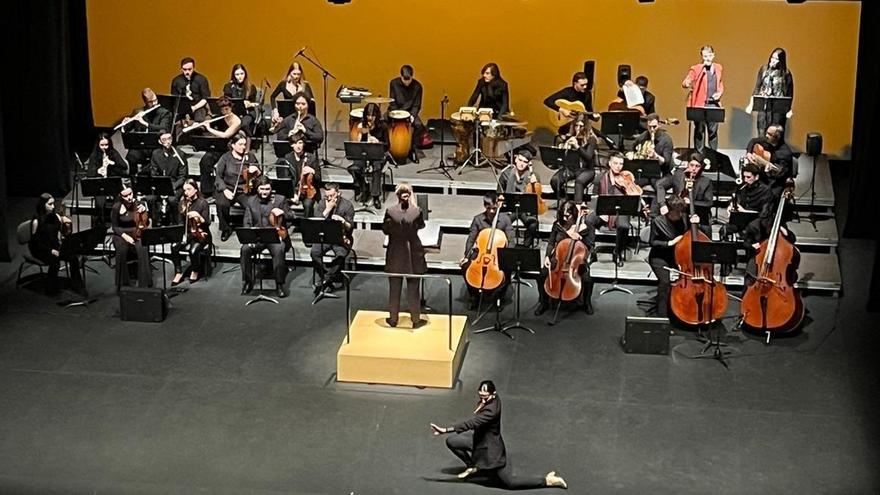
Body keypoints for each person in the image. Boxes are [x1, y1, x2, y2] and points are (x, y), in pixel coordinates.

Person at [430, 380, 568, 489]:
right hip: (479, 441)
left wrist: (445, 429)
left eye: (485, 397)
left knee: (510, 482)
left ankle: (548, 481)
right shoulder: (492, 399)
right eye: (480, 396)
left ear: (493, 394)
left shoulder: (491, 410)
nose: (482, 399)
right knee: (452, 442)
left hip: (490, 450)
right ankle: (473, 465)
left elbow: (471, 423)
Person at [535, 200, 595, 316]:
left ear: (574, 213)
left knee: (587, 279)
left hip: (576, 260)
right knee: (542, 275)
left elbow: (590, 246)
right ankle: (543, 302)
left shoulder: (586, 227)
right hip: (559, 258)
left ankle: (587, 303)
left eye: (568, 215)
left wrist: (581, 238)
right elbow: (551, 243)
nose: (565, 218)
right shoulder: (557, 225)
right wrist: (547, 257)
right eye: (563, 215)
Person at [240, 177, 295, 298]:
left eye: (267, 189)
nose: (265, 192)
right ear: (257, 188)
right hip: (258, 237)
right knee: (245, 249)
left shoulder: (280, 199)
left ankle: (280, 284)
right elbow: (247, 221)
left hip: (275, 237)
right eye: (262, 189)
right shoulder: (251, 201)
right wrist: (249, 239)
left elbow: (292, 216)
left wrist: (282, 212)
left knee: (279, 249)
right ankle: (247, 282)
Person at [382, 182, 427, 328]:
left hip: (396, 252)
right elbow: (421, 225)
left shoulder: (390, 211)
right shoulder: (417, 211)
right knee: (413, 289)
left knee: (394, 288)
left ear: (397, 196)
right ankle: (415, 319)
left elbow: (385, 230)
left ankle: (393, 319)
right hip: (413, 253)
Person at [460, 192, 515, 310]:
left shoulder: (505, 220)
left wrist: (507, 257)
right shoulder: (478, 219)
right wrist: (466, 255)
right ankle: (474, 295)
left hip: (498, 254)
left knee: (507, 268)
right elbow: (471, 240)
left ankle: (498, 296)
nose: (491, 211)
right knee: (465, 266)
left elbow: (511, 241)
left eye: (494, 208)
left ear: (497, 205)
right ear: (484, 206)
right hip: (481, 253)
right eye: (488, 208)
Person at [647, 196, 699, 317]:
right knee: (665, 282)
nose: (680, 214)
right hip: (660, 257)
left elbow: (695, 236)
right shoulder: (658, 221)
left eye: (681, 211)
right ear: (669, 211)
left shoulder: (685, 219)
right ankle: (662, 316)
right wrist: (669, 243)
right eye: (677, 212)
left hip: (681, 257)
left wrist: (696, 224)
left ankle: (682, 310)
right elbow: (652, 242)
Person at [585, 152, 634, 267]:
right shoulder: (600, 177)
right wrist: (599, 211)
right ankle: (591, 251)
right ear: (610, 163)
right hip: (603, 210)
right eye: (615, 163)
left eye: (621, 164)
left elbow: (633, 194)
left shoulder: (626, 177)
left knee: (624, 226)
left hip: (621, 211)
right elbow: (594, 198)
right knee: (589, 220)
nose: (618, 166)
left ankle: (617, 252)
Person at [29, 194, 82, 295]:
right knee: (55, 262)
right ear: (42, 205)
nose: (53, 207)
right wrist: (50, 250)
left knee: (73, 258)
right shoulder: (37, 221)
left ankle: (77, 285)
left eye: (53, 204)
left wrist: (66, 225)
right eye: (50, 204)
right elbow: (35, 242)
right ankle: (51, 289)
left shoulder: (56, 217)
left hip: (55, 246)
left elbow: (61, 234)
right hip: (41, 249)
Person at [214, 132, 260, 242]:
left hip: (244, 189)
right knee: (221, 203)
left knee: (251, 204)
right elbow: (218, 176)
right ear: (233, 145)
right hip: (228, 188)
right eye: (240, 144)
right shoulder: (225, 158)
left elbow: (260, 175)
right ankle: (226, 228)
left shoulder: (250, 157)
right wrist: (224, 190)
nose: (243, 147)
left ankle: (249, 229)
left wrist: (256, 171)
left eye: (244, 144)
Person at [310, 183, 355, 294]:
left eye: (332, 195)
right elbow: (316, 222)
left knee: (340, 255)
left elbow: (350, 228)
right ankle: (328, 277)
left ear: (338, 193)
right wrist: (327, 210)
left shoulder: (347, 205)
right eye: (327, 196)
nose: (329, 198)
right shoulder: (321, 203)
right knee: (314, 252)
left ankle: (325, 279)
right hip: (325, 237)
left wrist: (343, 221)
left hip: (341, 238)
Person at [654, 153, 713, 237]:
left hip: (696, 215)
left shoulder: (706, 182)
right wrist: (662, 204)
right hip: (678, 215)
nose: (693, 169)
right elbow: (660, 185)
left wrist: (691, 202)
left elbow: (708, 203)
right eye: (691, 165)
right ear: (687, 165)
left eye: (697, 166)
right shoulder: (678, 175)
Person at [120, 88, 173, 175]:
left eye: (155, 100)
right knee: (131, 157)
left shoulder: (165, 113)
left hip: (156, 145)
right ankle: (133, 181)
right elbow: (127, 130)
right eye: (151, 102)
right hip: (141, 146)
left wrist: (146, 124)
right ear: (145, 102)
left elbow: (164, 128)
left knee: (156, 158)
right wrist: (124, 125)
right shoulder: (138, 112)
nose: (154, 103)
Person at [197, 96, 243, 196]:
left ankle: (223, 189)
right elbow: (208, 129)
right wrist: (203, 124)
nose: (225, 112)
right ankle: (207, 191)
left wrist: (209, 129)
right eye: (222, 110)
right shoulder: (219, 117)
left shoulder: (237, 121)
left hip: (231, 150)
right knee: (205, 161)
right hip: (218, 148)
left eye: (227, 109)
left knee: (220, 167)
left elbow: (225, 135)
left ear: (231, 108)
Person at [682, 45, 724, 152]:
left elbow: (720, 83)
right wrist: (687, 83)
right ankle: (699, 156)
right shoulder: (696, 69)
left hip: (713, 104)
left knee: (713, 131)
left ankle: (713, 155)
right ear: (702, 57)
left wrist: (720, 93)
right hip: (700, 104)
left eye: (709, 56)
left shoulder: (718, 68)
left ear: (713, 55)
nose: (707, 59)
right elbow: (688, 80)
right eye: (705, 56)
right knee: (699, 131)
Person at [348, 102, 389, 209]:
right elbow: (358, 145)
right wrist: (361, 134)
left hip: (378, 155)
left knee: (376, 168)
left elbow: (387, 145)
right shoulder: (362, 125)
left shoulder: (383, 126)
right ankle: (364, 188)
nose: (370, 118)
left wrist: (378, 142)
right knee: (354, 168)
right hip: (364, 154)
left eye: (373, 116)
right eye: (368, 115)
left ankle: (375, 196)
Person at [110, 184, 151, 291]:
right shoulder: (116, 207)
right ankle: (123, 285)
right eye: (125, 196)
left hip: (136, 231)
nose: (129, 197)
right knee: (121, 251)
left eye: (130, 194)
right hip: (121, 233)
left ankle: (144, 284)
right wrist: (125, 236)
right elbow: (114, 227)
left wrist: (144, 213)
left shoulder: (139, 204)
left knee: (143, 248)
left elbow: (146, 223)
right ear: (120, 196)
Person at [170, 179, 211, 285]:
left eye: (189, 189)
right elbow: (180, 222)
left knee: (193, 250)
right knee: (174, 246)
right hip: (187, 232)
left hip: (201, 233)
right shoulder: (182, 203)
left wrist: (198, 216)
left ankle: (195, 270)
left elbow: (207, 223)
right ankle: (178, 272)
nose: (186, 192)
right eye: (185, 190)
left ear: (196, 190)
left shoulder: (203, 203)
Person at [496, 150, 540, 248]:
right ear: (515, 159)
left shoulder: (533, 176)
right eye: (520, 160)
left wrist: (535, 184)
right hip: (510, 208)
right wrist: (500, 197)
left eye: (525, 162)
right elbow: (499, 192)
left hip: (525, 209)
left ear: (528, 164)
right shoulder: (506, 174)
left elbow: (537, 197)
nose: (521, 164)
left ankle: (525, 247)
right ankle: (506, 245)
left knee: (533, 224)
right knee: (501, 222)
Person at [550, 114, 597, 205]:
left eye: (581, 126)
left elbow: (588, 157)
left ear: (586, 127)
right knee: (555, 180)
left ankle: (577, 207)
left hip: (587, 170)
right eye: (576, 125)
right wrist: (561, 149)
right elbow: (563, 158)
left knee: (579, 182)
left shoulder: (591, 139)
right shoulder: (571, 136)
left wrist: (577, 146)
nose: (578, 128)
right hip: (572, 168)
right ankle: (565, 199)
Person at [746, 48, 794, 136]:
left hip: (779, 108)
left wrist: (789, 109)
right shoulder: (764, 70)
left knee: (776, 133)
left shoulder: (786, 73)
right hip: (764, 105)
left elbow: (790, 92)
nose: (773, 60)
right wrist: (751, 104)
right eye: (772, 57)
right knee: (761, 130)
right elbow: (757, 87)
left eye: (776, 59)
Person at [720, 162, 773, 241]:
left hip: (758, 221)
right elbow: (736, 197)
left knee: (750, 230)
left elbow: (765, 213)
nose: (745, 180)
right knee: (724, 229)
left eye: (748, 177)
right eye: (744, 177)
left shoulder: (765, 190)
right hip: (742, 219)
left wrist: (745, 211)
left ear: (756, 177)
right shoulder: (743, 187)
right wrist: (731, 205)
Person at [143, 132, 188, 226]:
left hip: (175, 184)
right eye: (164, 140)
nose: (167, 142)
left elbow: (183, 176)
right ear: (160, 142)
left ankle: (175, 223)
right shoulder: (156, 154)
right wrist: (160, 186)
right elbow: (154, 173)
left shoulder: (180, 155)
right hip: (160, 183)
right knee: (150, 198)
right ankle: (156, 221)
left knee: (172, 200)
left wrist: (172, 187)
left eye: (169, 138)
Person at [277, 132, 322, 218]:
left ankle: (306, 227)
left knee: (308, 204)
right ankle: (288, 223)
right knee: (280, 201)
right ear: (291, 145)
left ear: (303, 144)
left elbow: (319, 179)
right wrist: (292, 194)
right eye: (294, 143)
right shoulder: (287, 158)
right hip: (293, 190)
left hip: (307, 191)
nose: (298, 146)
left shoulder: (311, 158)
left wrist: (313, 171)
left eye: (300, 143)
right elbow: (286, 179)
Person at [744, 123, 794, 199]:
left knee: (761, 197)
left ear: (777, 137)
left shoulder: (784, 154)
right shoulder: (768, 141)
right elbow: (753, 141)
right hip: (764, 178)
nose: (766, 136)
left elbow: (780, 175)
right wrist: (749, 153)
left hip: (776, 183)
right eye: (766, 133)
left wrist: (768, 172)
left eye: (770, 134)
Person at [389, 64, 424, 163]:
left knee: (418, 126)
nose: (407, 82)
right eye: (405, 79)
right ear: (401, 77)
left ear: (412, 76)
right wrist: (395, 113)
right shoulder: (393, 83)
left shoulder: (418, 86)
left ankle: (411, 148)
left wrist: (412, 115)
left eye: (409, 79)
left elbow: (417, 105)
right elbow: (392, 101)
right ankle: (390, 147)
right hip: (396, 111)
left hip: (409, 112)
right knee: (383, 122)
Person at [270, 62, 316, 126]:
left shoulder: (305, 85)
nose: (296, 77)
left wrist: (301, 92)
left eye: (298, 74)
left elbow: (311, 101)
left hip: (301, 117)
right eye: (294, 74)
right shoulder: (283, 84)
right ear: (290, 73)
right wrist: (275, 111)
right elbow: (272, 97)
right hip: (287, 116)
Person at [170, 56, 211, 123]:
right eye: (184, 69)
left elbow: (205, 98)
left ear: (193, 68)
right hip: (182, 108)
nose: (187, 72)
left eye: (189, 69)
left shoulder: (201, 79)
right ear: (181, 69)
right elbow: (174, 98)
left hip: (198, 106)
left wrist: (194, 108)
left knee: (199, 117)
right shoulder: (176, 80)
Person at [222, 63, 259, 135]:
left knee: (244, 124)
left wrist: (249, 103)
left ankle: (248, 141)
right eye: (237, 74)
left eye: (242, 74)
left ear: (245, 74)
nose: (240, 77)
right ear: (233, 75)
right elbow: (226, 100)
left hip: (247, 112)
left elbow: (253, 102)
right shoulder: (228, 86)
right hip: (233, 111)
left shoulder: (251, 87)